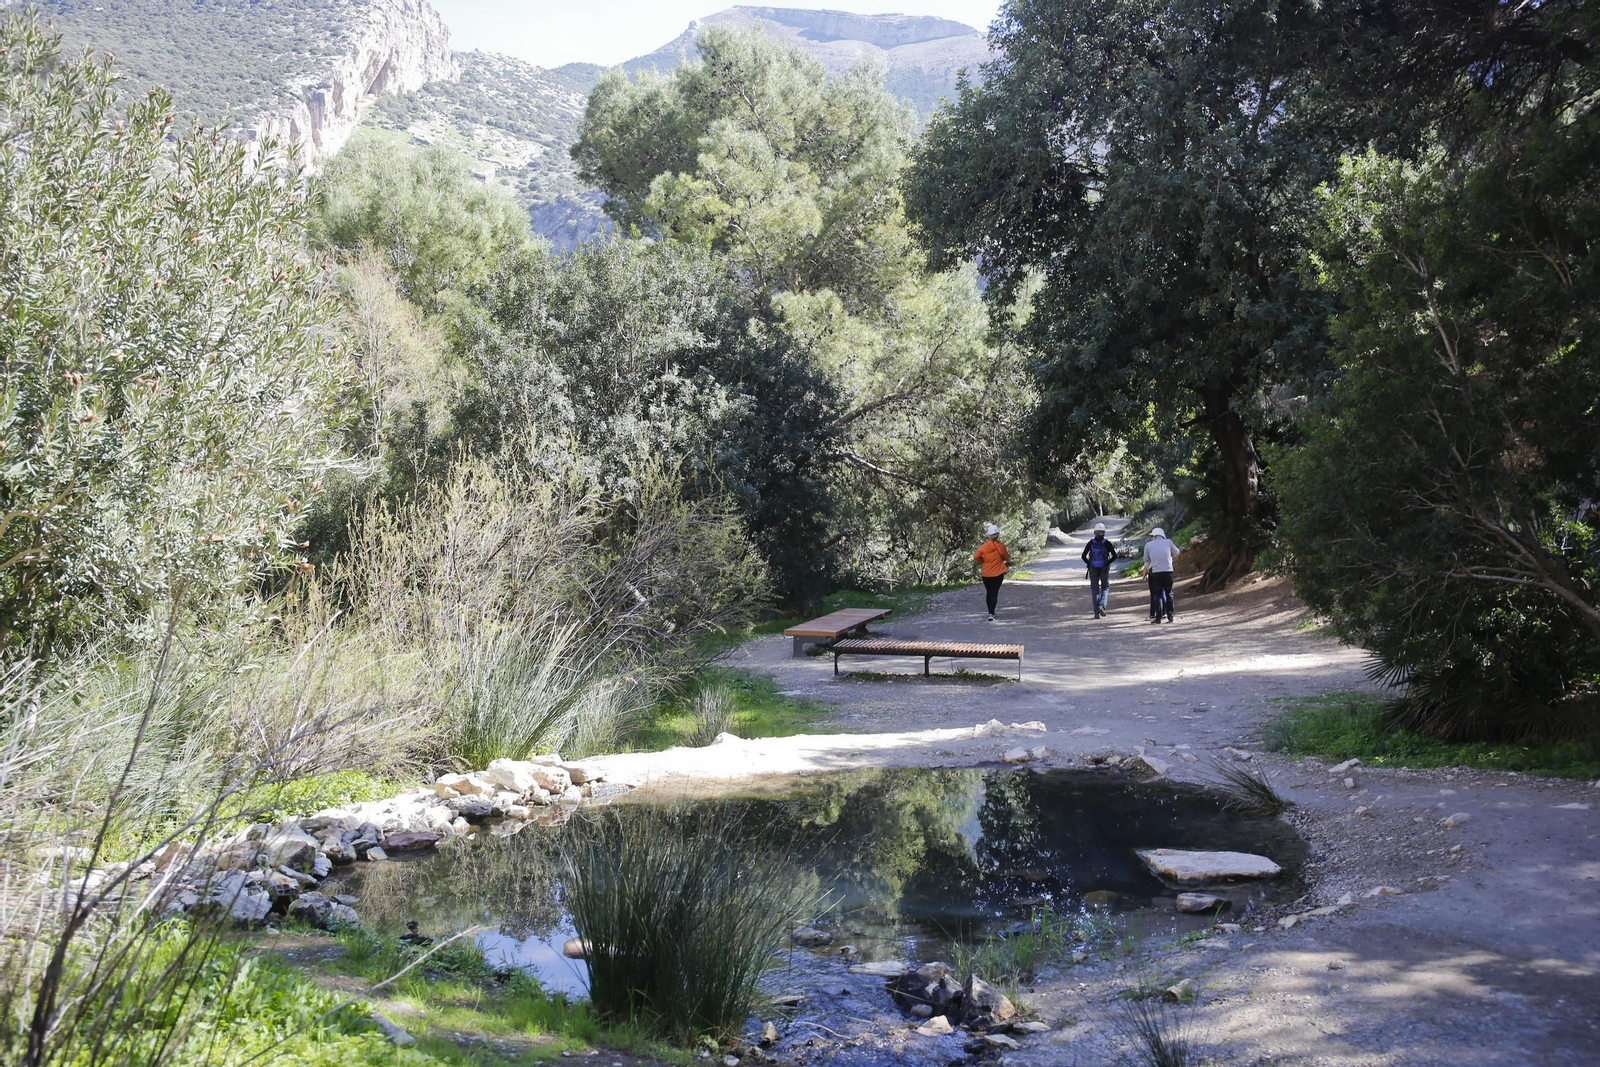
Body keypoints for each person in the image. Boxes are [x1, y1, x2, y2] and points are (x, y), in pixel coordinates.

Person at [1080, 522, 1118, 618]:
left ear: (1095, 533)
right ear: (1104, 533)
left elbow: (1083, 556)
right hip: (1104, 569)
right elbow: (1115, 556)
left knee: (1095, 589)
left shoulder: (1090, 543)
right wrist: (1107, 563)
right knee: (1105, 587)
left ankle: (1096, 613)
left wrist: (1090, 564)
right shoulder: (1107, 543)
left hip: (1093, 569)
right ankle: (1102, 605)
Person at [973, 523, 1010, 621]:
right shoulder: (1001, 546)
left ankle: (990, 611)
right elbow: (1006, 557)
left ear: (989, 535)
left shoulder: (984, 546)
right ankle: (991, 613)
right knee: (994, 593)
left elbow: (976, 556)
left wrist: (984, 561)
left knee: (989, 592)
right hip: (997, 574)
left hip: (986, 573)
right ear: (997, 534)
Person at [1145, 527, 1180, 623]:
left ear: (1154, 536)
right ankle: (1170, 616)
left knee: (1157, 595)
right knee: (1169, 594)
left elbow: (1146, 559)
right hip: (1168, 571)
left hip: (1156, 573)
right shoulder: (1168, 542)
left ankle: (1158, 618)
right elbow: (1177, 552)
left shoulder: (1148, 545)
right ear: (1162, 535)